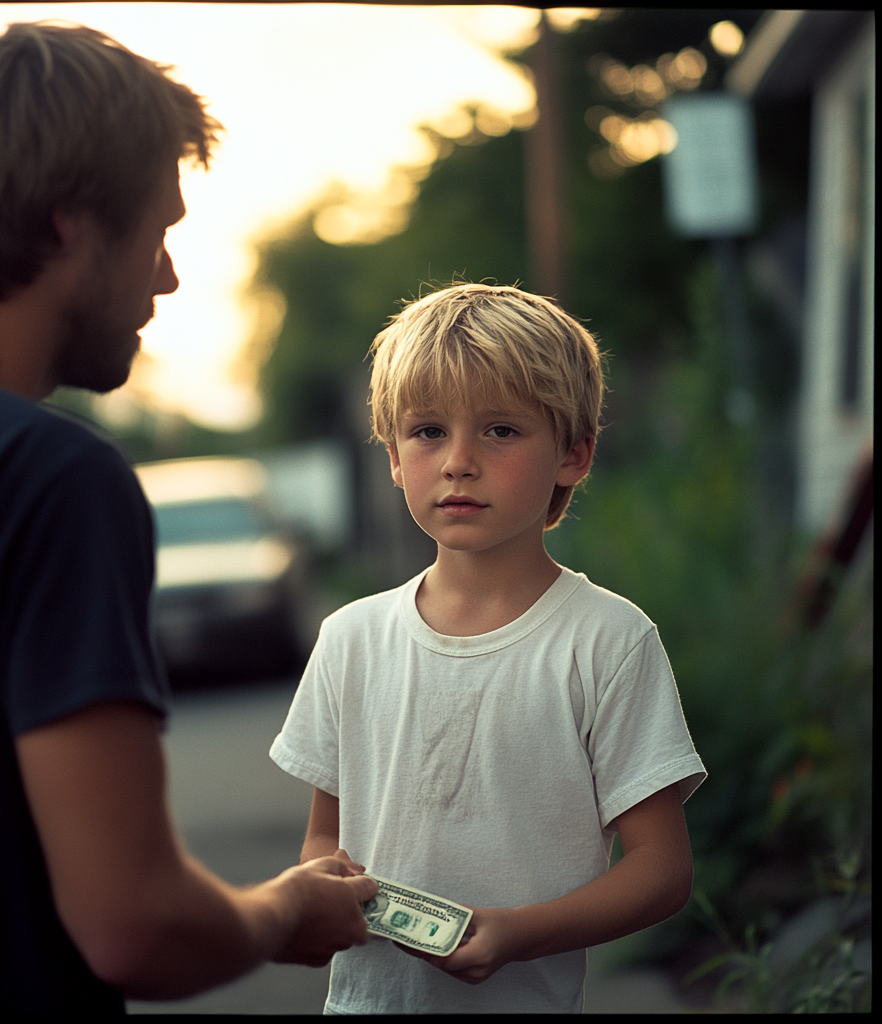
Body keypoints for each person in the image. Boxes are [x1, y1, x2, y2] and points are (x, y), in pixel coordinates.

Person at [0, 22, 375, 1013]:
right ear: (68, 222)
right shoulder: (47, 475)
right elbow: (132, 921)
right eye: (159, 229)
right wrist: (284, 910)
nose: (167, 277)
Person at [269, 282, 707, 1013]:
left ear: (573, 455)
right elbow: (323, 839)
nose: (459, 461)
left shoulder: (609, 640)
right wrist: (322, 895)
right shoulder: (349, 638)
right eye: (428, 431)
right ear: (393, 458)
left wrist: (518, 933)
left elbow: (662, 868)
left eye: (501, 430)